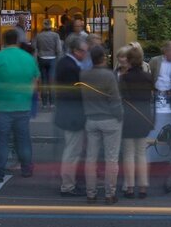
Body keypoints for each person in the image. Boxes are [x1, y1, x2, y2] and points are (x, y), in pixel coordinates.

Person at [0, 28, 39, 183]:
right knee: (23, 138)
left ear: (3, 41)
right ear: (18, 41)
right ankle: (26, 168)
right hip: (22, 104)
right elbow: (35, 79)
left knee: (2, 140)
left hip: (1, 105)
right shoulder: (28, 58)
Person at [79, 45, 123, 204]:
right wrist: (120, 116)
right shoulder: (109, 76)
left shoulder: (84, 75)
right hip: (110, 119)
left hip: (91, 119)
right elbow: (115, 100)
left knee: (91, 158)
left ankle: (91, 193)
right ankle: (110, 193)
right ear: (104, 58)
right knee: (111, 158)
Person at [119, 46, 155, 199]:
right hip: (143, 116)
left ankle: (129, 186)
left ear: (129, 60)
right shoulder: (148, 77)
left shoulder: (124, 78)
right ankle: (143, 186)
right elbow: (151, 98)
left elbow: (122, 99)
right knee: (141, 153)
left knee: (128, 154)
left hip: (128, 118)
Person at [54, 34, 87, 197]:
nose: (85, 54)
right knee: (72, 151)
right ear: (75, 50)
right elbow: (75, 93)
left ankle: (69, 182)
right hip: (72, 115)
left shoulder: (66, 63)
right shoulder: (70, 67)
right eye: (83, 51)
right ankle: (68, 185)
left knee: (72, 150)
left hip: (68, 113)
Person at [34, 22, 63, 109]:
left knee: (44, 81)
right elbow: (59, 49)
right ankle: (52, 103)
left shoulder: (38, 36)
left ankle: (44, 103)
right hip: (52, 58)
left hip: (41, 58)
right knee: (51, 81)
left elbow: (35, 48)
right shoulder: (55, 35)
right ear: (51, 26)